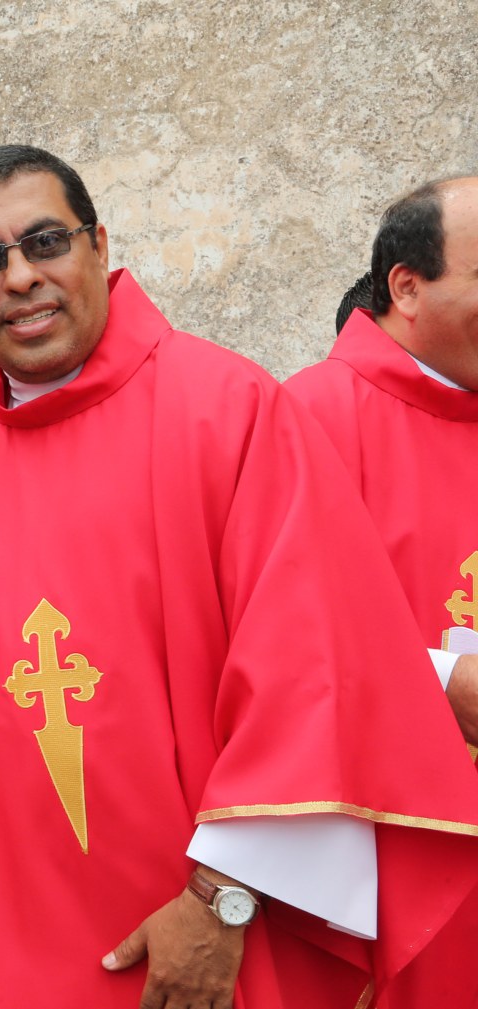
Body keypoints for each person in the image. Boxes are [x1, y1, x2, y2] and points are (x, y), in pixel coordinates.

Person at [0, 145, 478, 1007]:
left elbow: (310, 673)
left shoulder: (230, 411)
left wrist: (220, 900)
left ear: (99, 245)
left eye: (47, 242)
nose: (22, 276)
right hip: (14, 938)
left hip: (211, 930)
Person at [286, 175, 478, 1006]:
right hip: (392, 862)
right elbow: (281, 636)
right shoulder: (309, 416)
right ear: (406, 286)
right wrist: (443, 680)